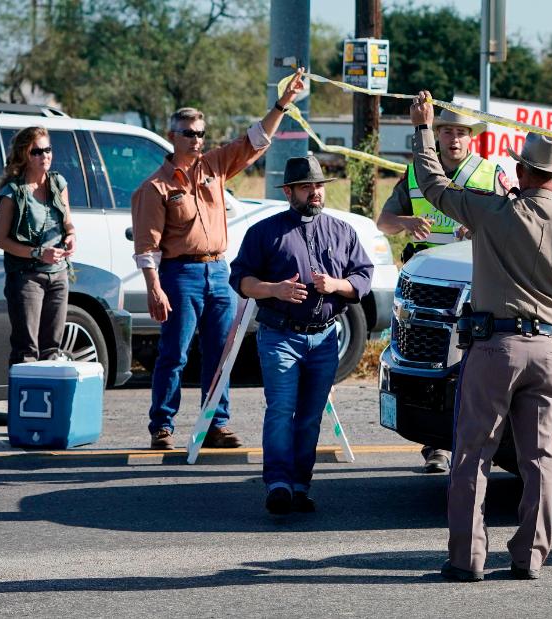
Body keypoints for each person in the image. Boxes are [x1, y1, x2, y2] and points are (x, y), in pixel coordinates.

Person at [408, 91, 552, 582]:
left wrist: (422, 129)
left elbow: (434, 186)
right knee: (541, 458)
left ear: (520, 172)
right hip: (548, 352)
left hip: (494, 348)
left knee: (473, 454)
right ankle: (529, 557)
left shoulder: (492, 212)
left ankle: (466, 559)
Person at [133, 68, 307, 450]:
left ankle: (215, 423)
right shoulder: (156, 187)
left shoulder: (213, 166)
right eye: (188, 134)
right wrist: (154, 289)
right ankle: (162, 425)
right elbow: (148, 246)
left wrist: (284, 102)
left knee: (222, 352)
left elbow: (255, 139)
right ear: (172, 136)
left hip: (219, 269)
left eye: (200, 134)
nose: (196, 141)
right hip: (180, 273)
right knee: (174, 353)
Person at [230, 155, 373, 515]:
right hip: (280, 336)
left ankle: (299, 485)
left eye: (319, 186)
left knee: (310, 416)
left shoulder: (343, 232)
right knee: (281, 410)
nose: (315, 192)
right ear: (289, 191)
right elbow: (241, 280)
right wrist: (274, 289)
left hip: (325, 338)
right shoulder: (264, 232)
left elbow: (363, 279)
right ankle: (278, 484)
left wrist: (337, 284)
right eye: (307, 186)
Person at [376, 108, 510, 474]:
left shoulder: (490, 174)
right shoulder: (416, 172)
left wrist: (481, 230)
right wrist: (406, 222)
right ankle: (436, 445)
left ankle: (481, 444)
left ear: (473, 138)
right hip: (428, 290)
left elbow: (513, 225)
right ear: (436, 135)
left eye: (461, 132)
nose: (453, 139)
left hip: (476, 282)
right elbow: (383, 223)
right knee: (434, 368)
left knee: (478, 367)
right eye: (447, 130)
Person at [0, 126, 76, 365]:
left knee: (52, 349)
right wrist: (38, 253)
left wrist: (71, 237)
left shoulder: (58, 183)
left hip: (58, 275)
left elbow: (68, 223)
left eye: (47, 150)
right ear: (24, 156)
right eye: (37, 151)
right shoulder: (13, 194)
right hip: (26, 277)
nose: (44, 156)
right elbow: (0, 240)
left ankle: (48, 402)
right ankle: (24, 402)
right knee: (26, 350)